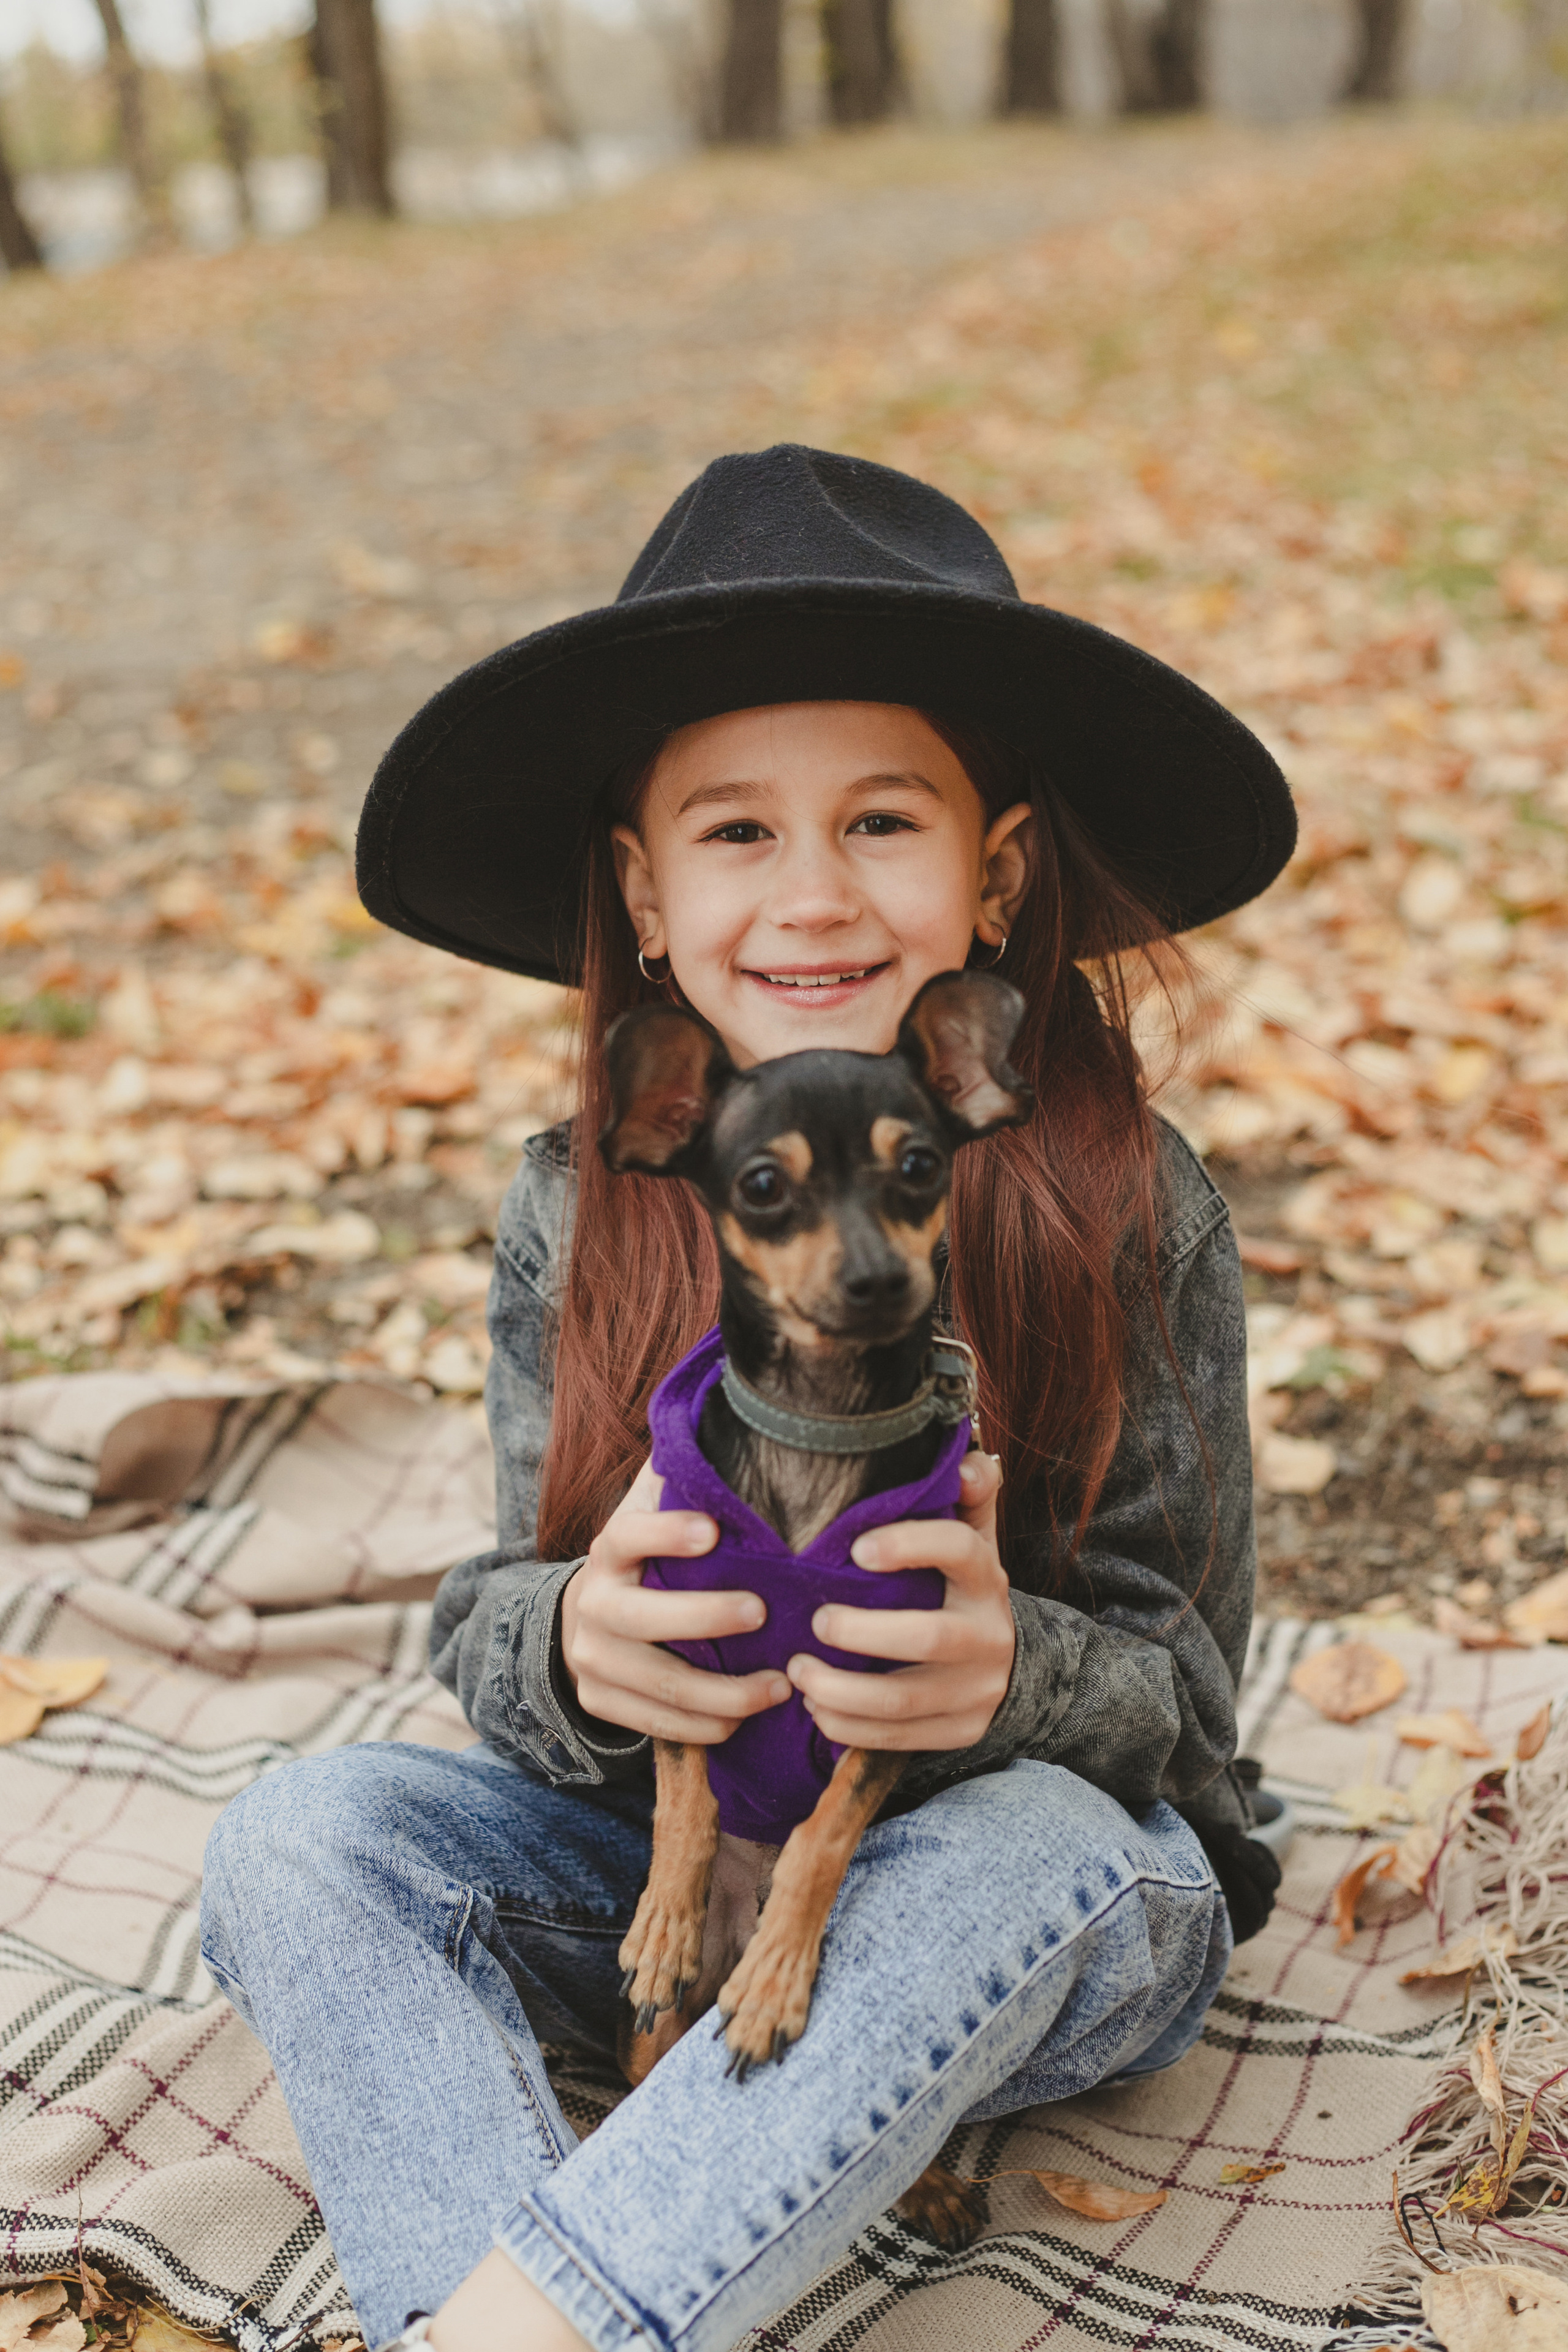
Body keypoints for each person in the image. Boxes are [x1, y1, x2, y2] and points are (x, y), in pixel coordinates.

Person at [200, 445, 1294, 2352]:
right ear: (640, 891)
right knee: (294, 1845)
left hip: (1045, 1912)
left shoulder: (1129, 1200)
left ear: (995, 874)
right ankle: (578, 2272)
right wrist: (586, 1643)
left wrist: (1006, 1680)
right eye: (733, 834)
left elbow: (1190, 1710)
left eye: (883, 822)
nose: (812, 896)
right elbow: (489, 1620)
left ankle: (531, 2319)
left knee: (1012, 1845)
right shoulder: (582, 1200)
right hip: (690, 1888)